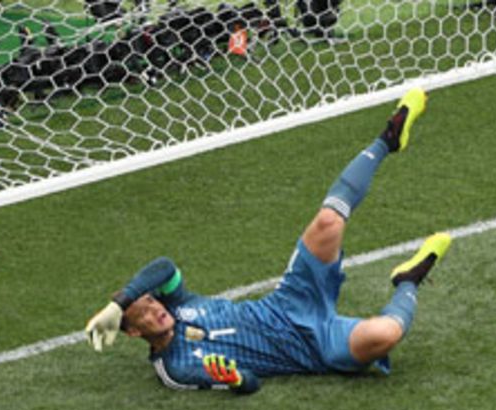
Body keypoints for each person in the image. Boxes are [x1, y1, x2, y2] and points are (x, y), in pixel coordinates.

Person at [83, 88, 450, 394]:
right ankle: (408, 281)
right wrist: (236, 379)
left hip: (288, 302)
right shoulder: (175, 368)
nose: (153, 310)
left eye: (150, 301)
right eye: (141, 314)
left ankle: (388, 139)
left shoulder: (179, 303)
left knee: (327, 221)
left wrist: (121, 302)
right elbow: (251, 384)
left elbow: (163, 267)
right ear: (132, 333)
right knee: (386, 333)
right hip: (315, 348)